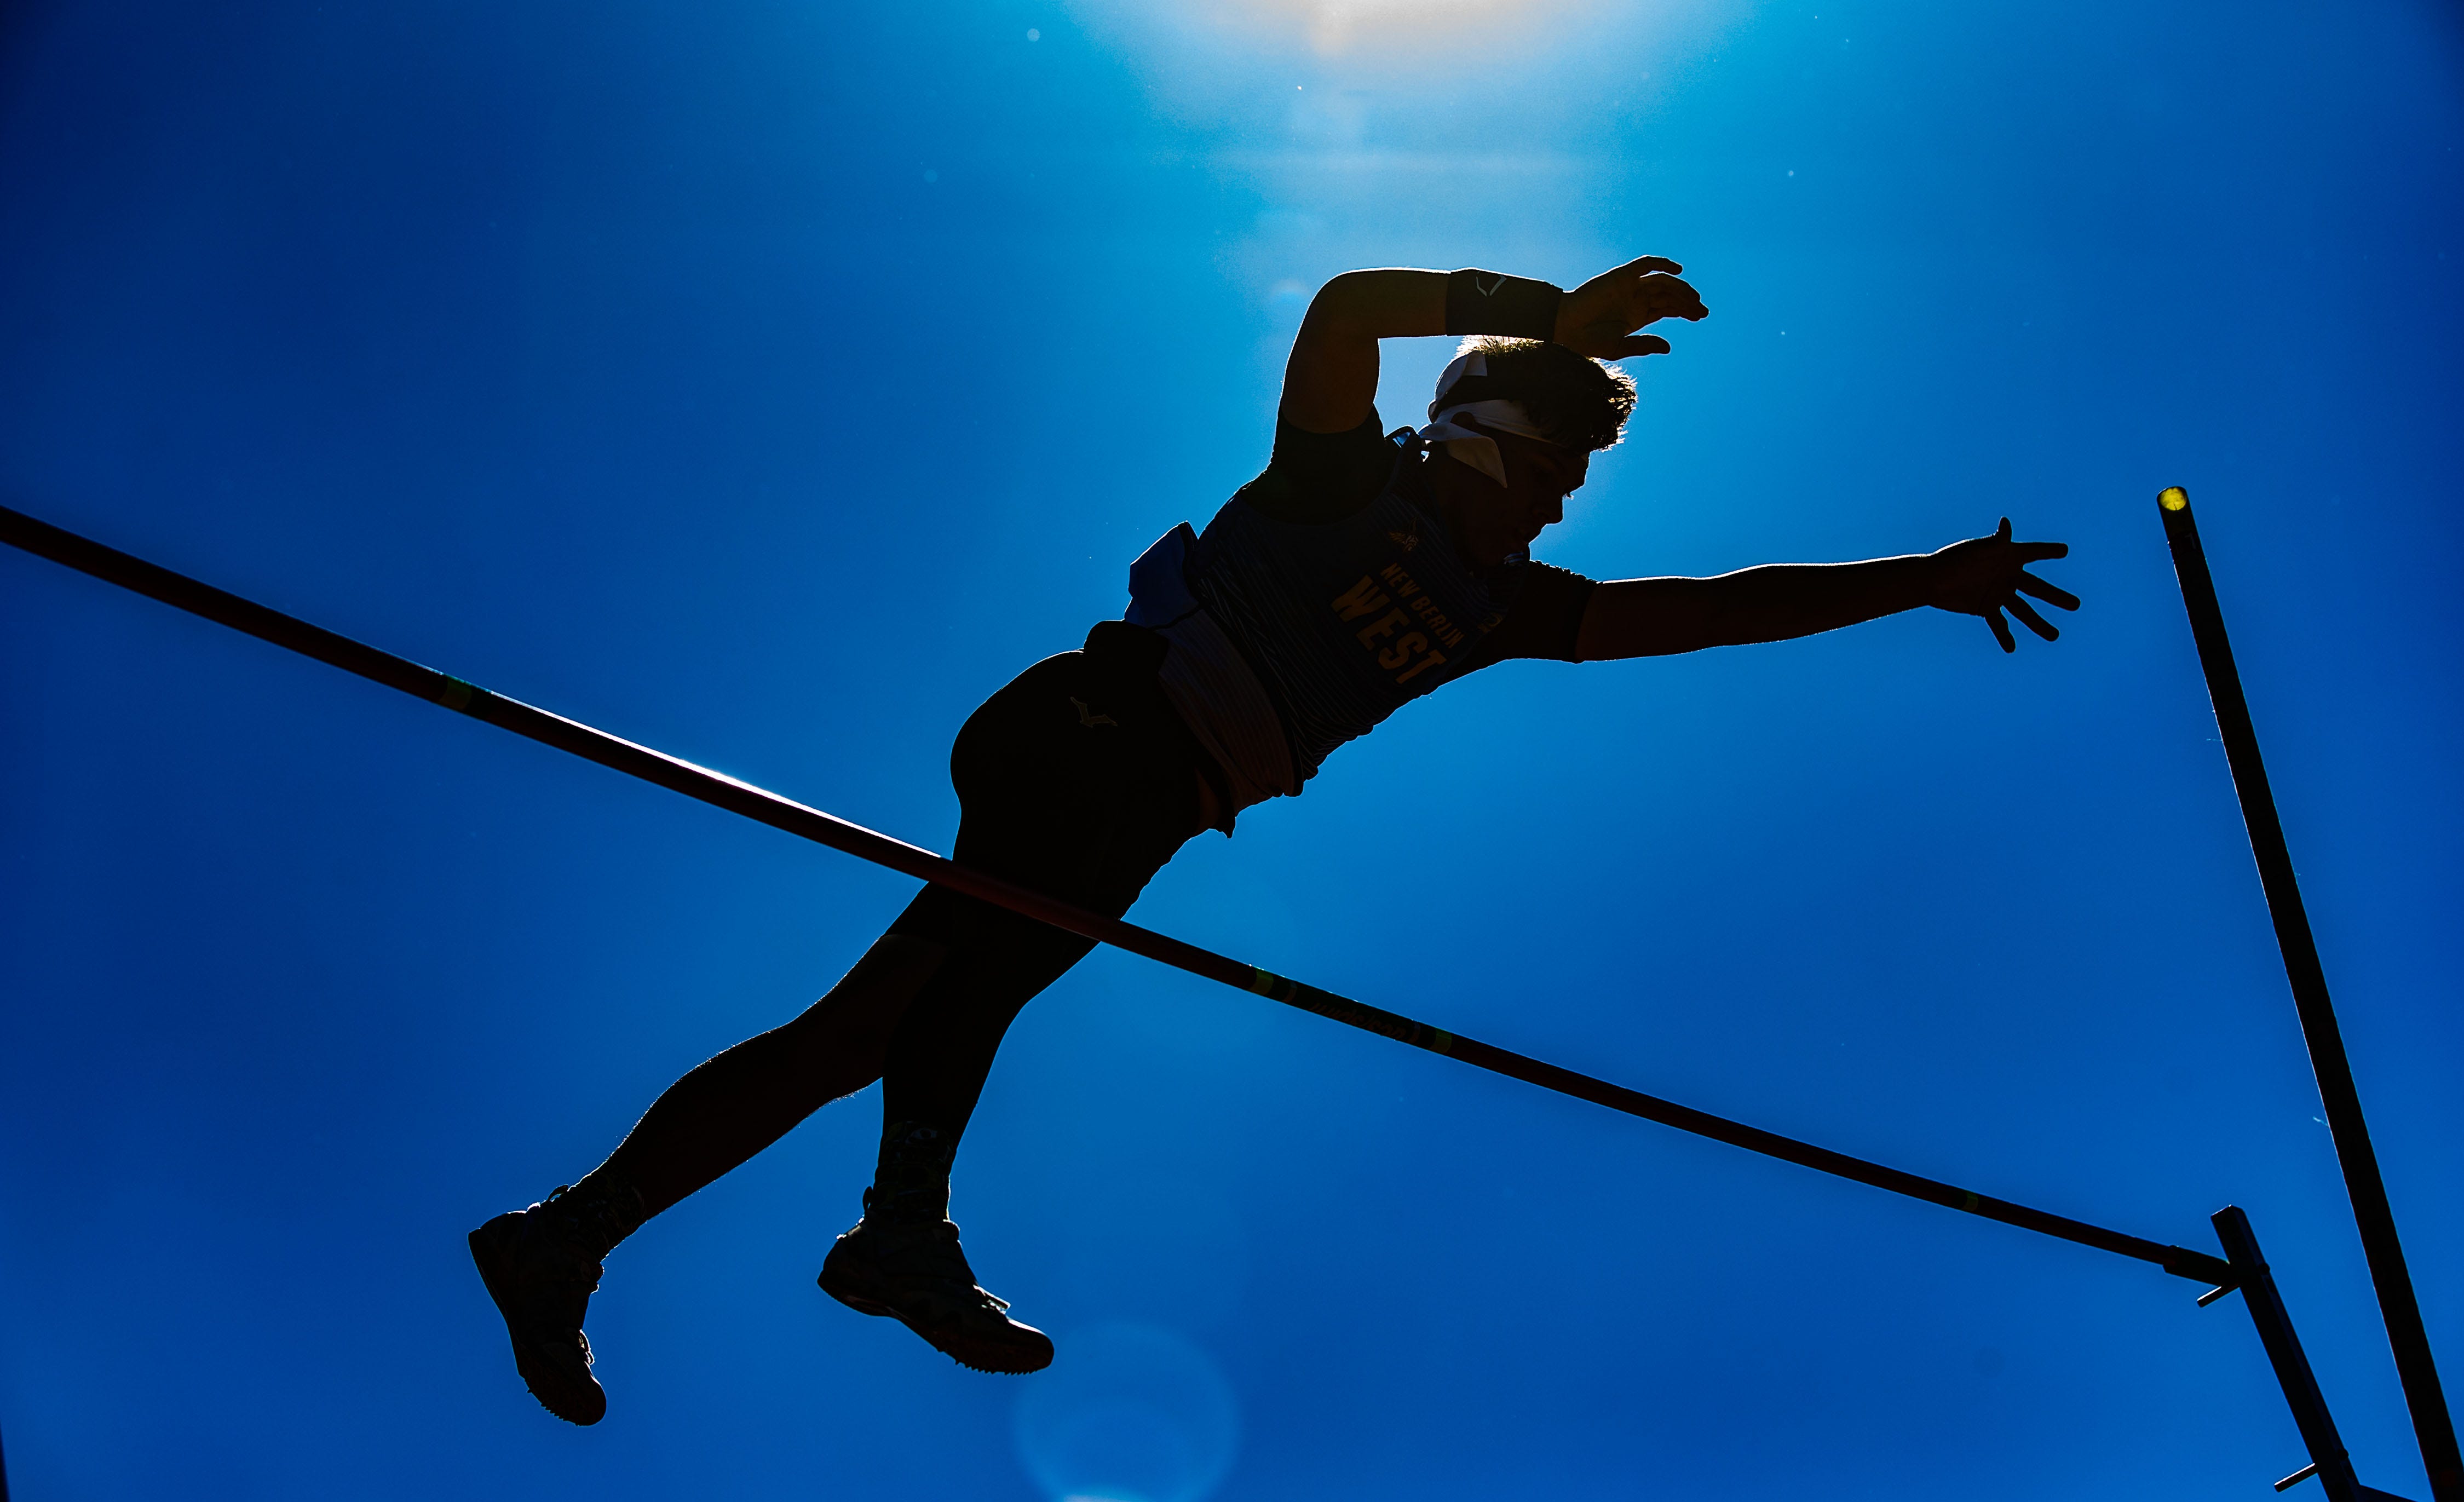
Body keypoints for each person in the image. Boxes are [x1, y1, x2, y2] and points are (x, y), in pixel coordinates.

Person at [469, 255, 2079, 1425]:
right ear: (1482, 433)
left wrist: (1917, 576)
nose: (1567, 503)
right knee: (946, 995)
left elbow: (1720, 611)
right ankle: (887, 1239)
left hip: (1149, 804)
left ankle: (587, 1234)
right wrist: (1548, 313)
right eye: (1560, 462)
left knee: (869, 1030)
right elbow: (1344, 313)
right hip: (1086, 737)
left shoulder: (1500, 610)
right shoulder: (1337, 488)